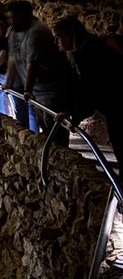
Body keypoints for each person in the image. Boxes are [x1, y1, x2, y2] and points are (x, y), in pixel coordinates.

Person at [53, 16, 123, 168]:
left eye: (58, 37)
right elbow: (77, 88)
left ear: (70, 35)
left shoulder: (88, 53)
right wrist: (68, 111)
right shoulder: (88, 48)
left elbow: (88, 90)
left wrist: (75, 118)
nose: (56, 42)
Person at [3, 0, 72, 133]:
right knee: (44, 126)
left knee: (54, 128)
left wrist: (27, 90)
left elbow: (33, 63)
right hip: (37, 90)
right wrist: (8, 82)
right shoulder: (14, 32)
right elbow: (13, 57)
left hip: (50, 89)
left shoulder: (36, 33)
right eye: (10, 18)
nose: (12, 21)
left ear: (25, 15)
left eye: (15, 17)